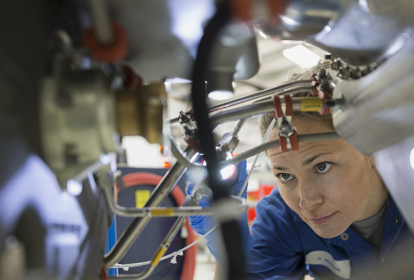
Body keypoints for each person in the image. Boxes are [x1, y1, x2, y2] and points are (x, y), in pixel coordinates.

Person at [188, 92, 414, 279]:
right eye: (285, 176)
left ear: (371, 149)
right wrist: (228, 251)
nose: (306, 201)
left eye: (322, 166)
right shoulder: (283, 215)